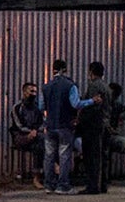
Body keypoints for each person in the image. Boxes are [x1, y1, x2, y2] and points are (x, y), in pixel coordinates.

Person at [41, 58, 89, 194]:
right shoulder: (70, 85)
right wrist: (91, 101)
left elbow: (41, 106)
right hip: (64, 126)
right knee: (64, 155)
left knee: (49, 155)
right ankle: (63, 185)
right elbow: (76, 104)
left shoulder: (46, 86)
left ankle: (49, 185)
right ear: (65, 69)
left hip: (50, 126)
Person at [79, 61, 113, 195]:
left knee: (92, 156)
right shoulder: (107, 87)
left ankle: (93, 186)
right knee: (102, 156)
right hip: (105, 124)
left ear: (91, 72)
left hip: (94, 126)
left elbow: (92, 107)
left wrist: (81, 121)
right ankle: (103, 184)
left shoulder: (94, 86)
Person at [8, 82, 44, 183]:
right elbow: (18, 125)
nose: (34, 94)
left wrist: (35, 132)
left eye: (35, 92)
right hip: (20, 137)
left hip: (35, 137)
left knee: (40, 143)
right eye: (31, 91)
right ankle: (41, 175)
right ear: (24, 92)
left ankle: (38, 176)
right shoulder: (17, 107)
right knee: (39, 140)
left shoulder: (38, 107)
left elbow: (43, 123)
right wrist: (30, 132)